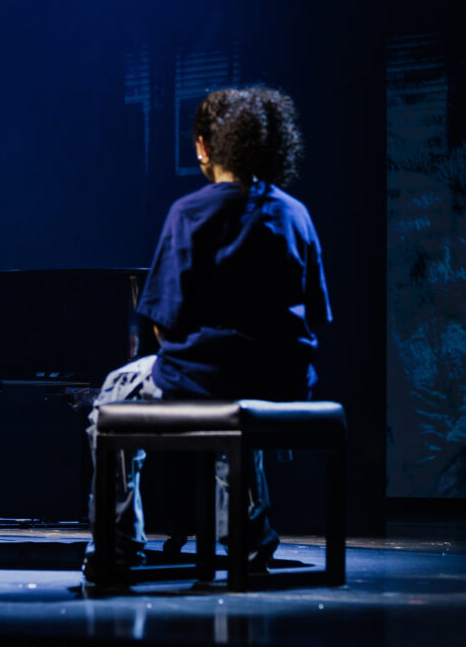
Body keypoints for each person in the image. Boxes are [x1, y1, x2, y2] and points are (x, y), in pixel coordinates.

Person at [83, 87, 332, 582]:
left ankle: (119, 546)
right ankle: (250, 539)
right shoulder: (295, 213)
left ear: (203, 147)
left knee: (114, 394)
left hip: (206, 376)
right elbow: (318, 314)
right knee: (235, 401)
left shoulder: (190, 212)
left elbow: (161, 322)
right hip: (284, 379)